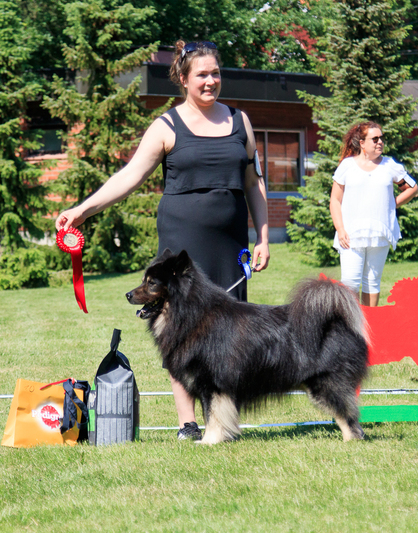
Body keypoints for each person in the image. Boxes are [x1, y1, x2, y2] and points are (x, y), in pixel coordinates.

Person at [55, 40, 270, 441]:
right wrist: (83, 210)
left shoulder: (240, 122)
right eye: (202, 75)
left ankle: (223, 421)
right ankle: (188, 423)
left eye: (215, 73)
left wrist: (263, 236)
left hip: (230, 243)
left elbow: (253, 182)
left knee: (231, 332)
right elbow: (130, 176)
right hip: (181, 244)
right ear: (184, 79)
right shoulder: (166, 126)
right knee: (180, 328)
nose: (210, 81)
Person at [329, 121, 418, 307]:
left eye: (381, 138)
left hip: (379, 233)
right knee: (350, 283)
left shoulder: (389, 165)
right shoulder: (347, 166)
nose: (380, 142)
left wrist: (392, 204)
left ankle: (369, 323)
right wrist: (340, 228)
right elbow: (335, 200)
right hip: (350, 235)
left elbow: (412, 187)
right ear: (362, 143)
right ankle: (350, 324)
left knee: (372, 282)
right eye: (375, 139)